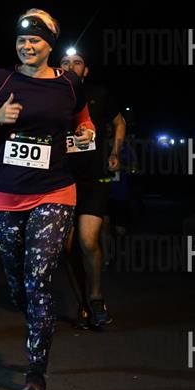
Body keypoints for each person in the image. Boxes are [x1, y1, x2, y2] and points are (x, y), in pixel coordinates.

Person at [0, 9, 95, 390]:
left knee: (39, 280)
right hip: (3, 196)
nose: (26, 46)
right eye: (21, 40)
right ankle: (30, 310)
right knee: (19, 284)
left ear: (50, 45)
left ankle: (36, 373)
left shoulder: (69, 84)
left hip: (54, 192)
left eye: (35, 40)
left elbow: (84, 122)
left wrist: (85, 134)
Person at [61, 50, 125, 329]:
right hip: (61, 181)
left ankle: (96, 298)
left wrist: (115, 152)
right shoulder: (51, 95)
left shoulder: (99, 93)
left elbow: (119, 123)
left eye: (77, 62)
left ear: (85, 70)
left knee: (88, 241)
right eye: (65, 62)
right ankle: (83, 305)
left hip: (93, 180)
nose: (71, 66)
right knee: (67, 248)